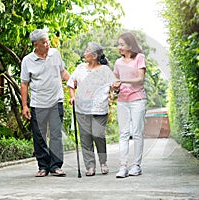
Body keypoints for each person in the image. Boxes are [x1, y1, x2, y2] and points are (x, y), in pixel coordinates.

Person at [20, 29, 70, 177]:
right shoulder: (27, 61)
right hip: (38, 103)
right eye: (44, 42)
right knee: (39, 136)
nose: (47, 44)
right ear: (35, 44)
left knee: (55, 135)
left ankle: (55, 166)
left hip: (56, 101)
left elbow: (63, 72)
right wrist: (24, 105)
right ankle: (43, 166)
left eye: (47, 41)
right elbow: (24, 84)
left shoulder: (55, 54)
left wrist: (73, 81)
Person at [68, 42, 117, 176]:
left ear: (94, 56)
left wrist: (115, 89)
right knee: (85, 138)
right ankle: (90, 166)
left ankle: (103, 162)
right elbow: (71, 84)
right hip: (82, 109)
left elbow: (114, 86)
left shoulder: (105, 70)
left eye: (87, 51)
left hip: (99, 109)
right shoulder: (80, 68)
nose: (84, 53)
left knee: (98, 135)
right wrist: (72, 96)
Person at [113, 32, 147, 178]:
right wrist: (114, 87)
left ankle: (136, 166)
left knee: (137, 132)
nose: (119, 47)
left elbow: (140, 79)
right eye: (118, 44)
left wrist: (123, 81)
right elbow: (115, 82)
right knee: (123, 133)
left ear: (130, 46)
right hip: (122, 101)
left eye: (122, 44)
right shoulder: (118, 63)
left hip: (138, 99)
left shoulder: (139, 58)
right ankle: (123, 166)